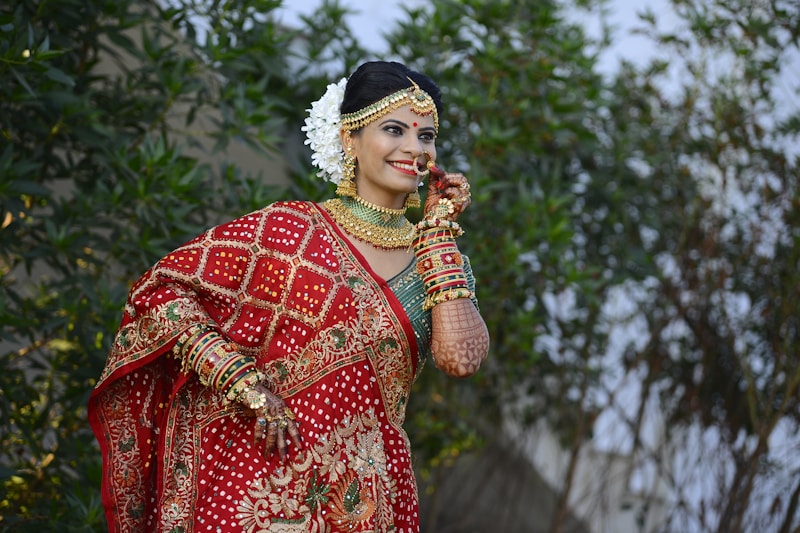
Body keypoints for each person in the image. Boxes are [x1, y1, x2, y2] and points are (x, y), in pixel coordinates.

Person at [88, 60, 490, 533]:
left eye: (426, 136)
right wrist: (242, 382)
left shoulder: (440, 264)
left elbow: (461, 360)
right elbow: (162, 291)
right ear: (350, 139)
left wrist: (437, 234)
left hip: (363, 499)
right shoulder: (290, 230)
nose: (414, 148)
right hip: (253, 491)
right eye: (394, 129)